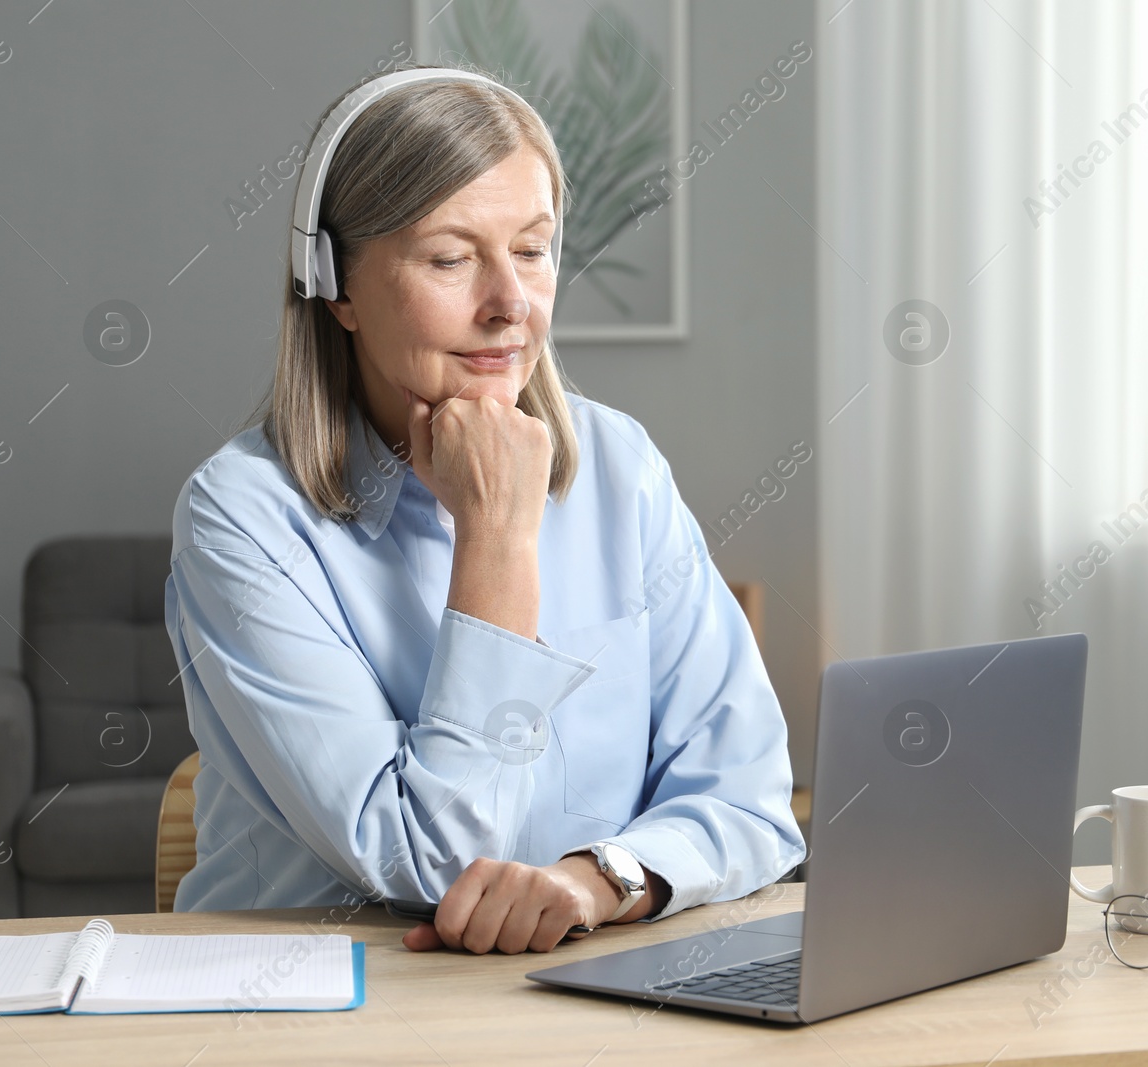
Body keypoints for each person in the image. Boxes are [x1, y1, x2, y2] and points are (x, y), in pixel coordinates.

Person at [162, 65, 805, 955]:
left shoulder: (622, 468)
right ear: (336, 286)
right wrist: (496, 536)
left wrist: (595, 880)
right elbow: (431, 862)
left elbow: (751, 804)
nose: (511, 305)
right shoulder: (241, 518)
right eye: (451, 258)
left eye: (533, 250)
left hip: (571, 989)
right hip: (307, 1006)